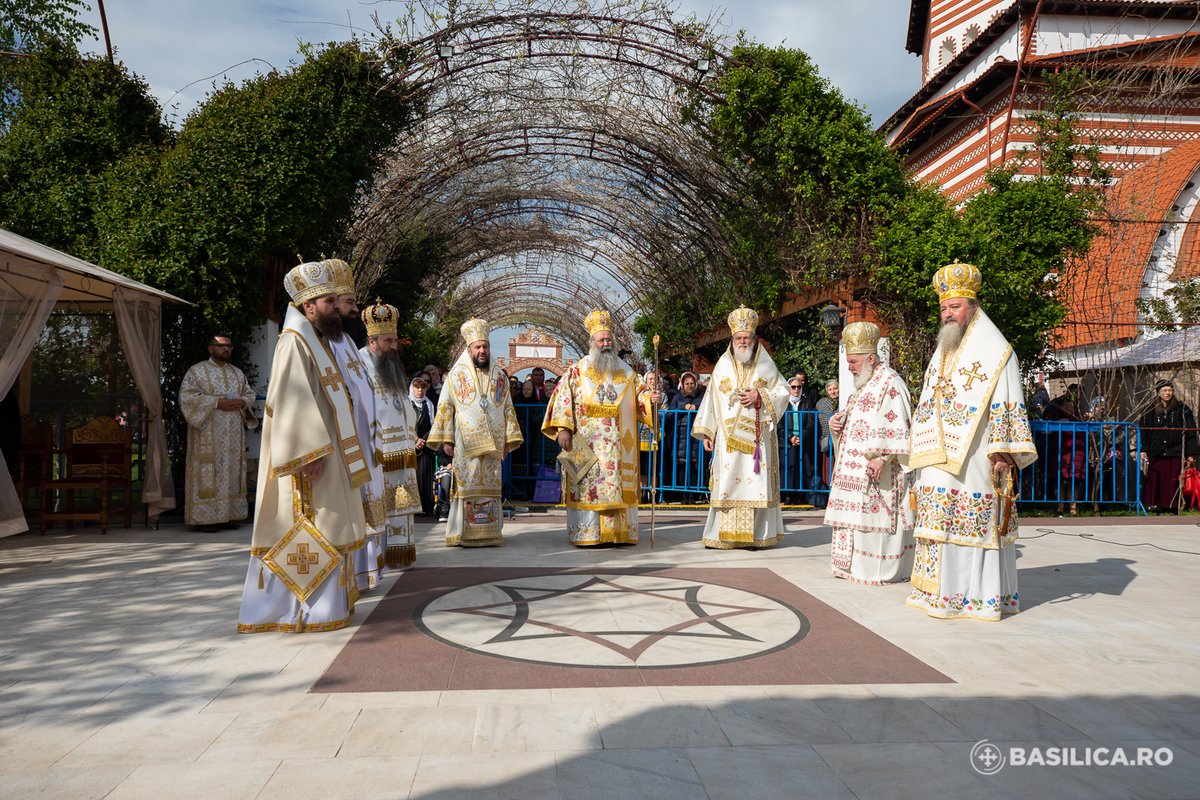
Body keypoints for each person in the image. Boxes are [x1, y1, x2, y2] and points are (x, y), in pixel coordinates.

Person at [237, 260, 369, 633]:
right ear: (308, 306)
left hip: (328, 453)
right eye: (329, 301)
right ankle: (304, 608)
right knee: (315, 523)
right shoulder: (295, 342)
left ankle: (328, 605)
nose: (335, 307)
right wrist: (307, 453)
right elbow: (293, 400)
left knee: (330, 523)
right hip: (311, 460)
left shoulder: (319, 339)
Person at [907, 262, 1037, 621]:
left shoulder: (996, 350)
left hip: (976, 458)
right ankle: (938, 596)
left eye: (956, 307)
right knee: (936, 521)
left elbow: (1005, 400)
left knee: (970, 523)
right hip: (937, 456)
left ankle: (974, 598)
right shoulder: (944, 348)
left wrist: (1002, 452)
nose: (948, 314)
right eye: (944, 308)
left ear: (973, 307)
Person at [542, 310, 659, 546]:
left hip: (618, 448)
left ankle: (619, 534)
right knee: (588, 485)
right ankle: (589, 533)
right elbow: (564, 398)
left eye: (609, 340)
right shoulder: (577, 371)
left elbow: (640, 397)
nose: (606, 344)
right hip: (587, 443)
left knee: (616, 485)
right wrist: (564, 429)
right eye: (601, 340)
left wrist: (650, 399)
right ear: (591, 343)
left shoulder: (627, 372)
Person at [691, 306, 790, 549]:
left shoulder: (766, 365)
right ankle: (724, 535)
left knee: (754, 483)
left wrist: (760, 395)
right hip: (728, 442)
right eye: (739, 338)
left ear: (754, 339)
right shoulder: (722, 365)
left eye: (747, 338)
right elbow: (711, 400)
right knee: (728, 484)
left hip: (757, 440)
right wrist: (707, 432)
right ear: (732, 340)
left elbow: (783, 392)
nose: (743, 341)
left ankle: (757, 536)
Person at [823, 322, 914, 584]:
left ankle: (877, 570)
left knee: (876, 518)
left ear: (871, 358)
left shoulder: (891, 383)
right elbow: (853, 422)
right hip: (852, 474)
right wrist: (836, 425)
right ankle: (850, 567)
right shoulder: (862, 387)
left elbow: (899, 423)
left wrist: (882, 457)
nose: (849, 367)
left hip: (879, 472)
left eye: (853, 361)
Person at [425, 319, 523, 547]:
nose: (482, 351)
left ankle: (489, 533)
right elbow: (446, 407)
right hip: (464, 442)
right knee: (467, 486)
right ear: (469, 349)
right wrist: (446, 439)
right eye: (478, 347)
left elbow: (507, 408)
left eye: (485, 347)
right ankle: (462, 533)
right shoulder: (456, 375)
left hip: (494, 443)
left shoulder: (499, 375)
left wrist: (509, 440)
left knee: (490, 486)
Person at [324, 260, 386, 591]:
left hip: (363, 445)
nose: (353, 308)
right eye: (348, 303)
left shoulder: (345, 341)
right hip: (340, 447)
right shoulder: (319, 342)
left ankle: (360, 574)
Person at [360, 300, 423, 566]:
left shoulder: (391, 366)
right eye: (388, 341)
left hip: (402, 451)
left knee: (399, 505)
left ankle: (398, 553)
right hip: (379, 451)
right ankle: (376, 558)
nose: (394, 346)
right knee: (379, 504)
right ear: (372, 341)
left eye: (395, 340)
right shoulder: (359, 366)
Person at [179, 334, 257, 532]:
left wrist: (243, 402)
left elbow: (249, 394)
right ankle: (206, 518)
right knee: (209, 471)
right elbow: (187, 397)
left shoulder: (237, 373)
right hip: (207, 432)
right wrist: (216, 402)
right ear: (210, 348)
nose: (226, 349)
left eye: (229, 346)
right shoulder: (196, 371)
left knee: (231, 470)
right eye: (222, 346)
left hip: (232, 435)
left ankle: (228, 515)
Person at [1140, 379, 1199, 513]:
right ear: (1158, 392)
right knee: (1155, 478)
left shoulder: (1182, 409)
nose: (1168, 393)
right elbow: (1144, 430)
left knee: (1172, 480)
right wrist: (1144, 449)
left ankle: (1171, 506)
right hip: (1156, 450)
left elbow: (1191, 431)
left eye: (1170, 390)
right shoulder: (1150, 409)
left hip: (1176, 450)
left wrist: (1190, 453)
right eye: (1165, 390)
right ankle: (1152, 504)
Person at [666, 371, 705, 498]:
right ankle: (683, 495)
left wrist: (696, 407)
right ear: (682, 384)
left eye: (692, 383)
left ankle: (693, 496)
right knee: (681, 462)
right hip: (680, 433)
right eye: (687, 383)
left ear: (696, 383)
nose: (689, 386)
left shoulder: (702, 396)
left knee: (695, 462)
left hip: (696, 432)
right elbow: (670, 414)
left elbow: (706, 409)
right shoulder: (677, 397)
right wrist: (683, 407)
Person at [410, 376, 436, 517]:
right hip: (410, 445)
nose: (420, 391)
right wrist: (415, 439)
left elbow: (433, 425)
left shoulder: (429, 405)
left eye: (422, 388)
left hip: (425, 448)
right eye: (417, 387)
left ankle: (425, 507)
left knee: (425, 476)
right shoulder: (407, 404)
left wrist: (423, 440)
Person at [816, 379, 840, 488]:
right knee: (828, 468)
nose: (833, 391)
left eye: (835, 388)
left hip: (840, 440)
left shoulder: (845, 401)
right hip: (827, 440)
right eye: (830, 389)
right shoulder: (822, 403)